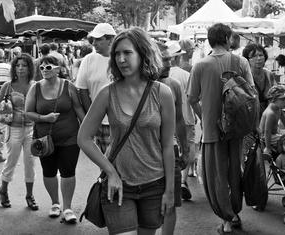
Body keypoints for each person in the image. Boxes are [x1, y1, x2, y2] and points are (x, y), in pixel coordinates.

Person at [77, 28, 175, 235]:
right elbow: (84, 138)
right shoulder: (107, 93)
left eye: (127, 53)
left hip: (154, 185)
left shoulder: (162, 93)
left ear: (142, 53)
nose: (121, 59)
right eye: (116, 54)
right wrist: (110, 172)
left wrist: (170, 191)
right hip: (118, 183)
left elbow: (167, 146)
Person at [187, 24, 254, 233]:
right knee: (235, 172)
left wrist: (204, 117)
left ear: (209, 40)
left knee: (216, 177)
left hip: (211, 131)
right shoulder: (241, 61)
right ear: (227, 38)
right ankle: (234, 214)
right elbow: (252, 94)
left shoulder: (200, 65)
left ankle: (226, 220)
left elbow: (192, 98)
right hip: (237, 129)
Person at [25, 55, 85, 223]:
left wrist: (87, 131)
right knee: (49, 171)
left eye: (48, 67)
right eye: (42, 67)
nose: (44, 70)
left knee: (68, 171)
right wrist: (45, 118)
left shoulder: (69, 87)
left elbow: (79, 109)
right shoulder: (35, 88)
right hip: (44, 139)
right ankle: (55, 203)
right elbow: (28, 112)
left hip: (70, 138)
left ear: (59, 69)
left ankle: (67, 207)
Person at [0, 53, 37, 209]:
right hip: (13, 129)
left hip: (31, 129)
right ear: (14, 68)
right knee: (11, 161)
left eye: (24, 65)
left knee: (30, 163)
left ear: (29, 67)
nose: (20, 68)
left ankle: (30, 196)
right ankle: (3, 191)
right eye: (18, 65)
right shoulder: (8, 86)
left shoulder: (35, 85)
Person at [157, 41, 189, 235]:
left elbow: (179, 120)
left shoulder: (174, 85)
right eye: (164, 60)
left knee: (170, 203)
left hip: (172, 150)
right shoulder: (135, 85)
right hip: (144, 153)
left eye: (170, 59)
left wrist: (186, 149)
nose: (169, 64)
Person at [76, 23, 116, 154]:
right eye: (93, 39)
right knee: (105, 166)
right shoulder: (88, 60)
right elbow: (82, 91)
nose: (94, 43)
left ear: (110, 39)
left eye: (99, 39)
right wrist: (93, 119)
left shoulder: (120, 59)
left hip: (124, 120)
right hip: (101, 123)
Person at [165, 41, 196, 201]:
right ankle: (183, 180)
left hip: (169, 123)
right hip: (186, 118)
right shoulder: (184, 75)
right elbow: (193, 98)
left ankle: (176, 180)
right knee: (189, 147)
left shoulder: (166, 77)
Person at [260, 85, 285, 155]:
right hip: (266, 136)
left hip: (275, 132)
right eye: (283, 100)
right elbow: (267, 132)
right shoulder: (270, 113)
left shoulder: (278, 108)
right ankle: (282, 156)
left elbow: (282, 117)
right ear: (273, 99)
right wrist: (267, 147)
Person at [243, 43, 275, 114]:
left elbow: (276, 95)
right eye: (254, 56)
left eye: (261, 55)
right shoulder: (244, 77)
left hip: (268, 115)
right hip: (250, 116)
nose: (259, 58)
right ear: (247, 59)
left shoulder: (269, 74)